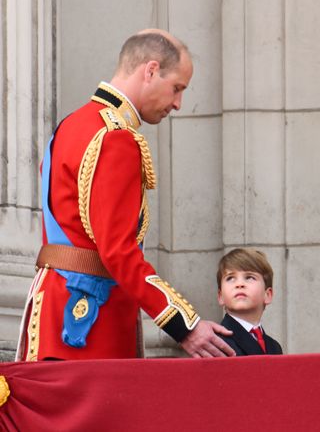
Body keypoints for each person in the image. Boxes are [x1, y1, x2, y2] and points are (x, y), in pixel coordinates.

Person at [16, 28, 235, 361]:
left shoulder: (70, 125)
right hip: (89, 319)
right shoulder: (116, 138)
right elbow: (118, 250)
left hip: (56, 307)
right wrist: (184, 325)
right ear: (150, 70)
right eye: (177, 88)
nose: (178, 103)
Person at [216, 247, 283, 356]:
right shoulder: (216, 342)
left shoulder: (274, 346)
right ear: (220, 296)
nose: (239, 284)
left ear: (267, 295)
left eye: (249, 277)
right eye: (230, 278)